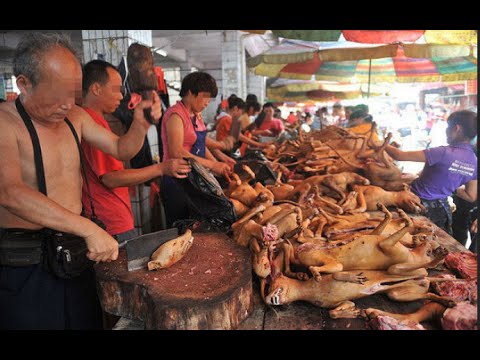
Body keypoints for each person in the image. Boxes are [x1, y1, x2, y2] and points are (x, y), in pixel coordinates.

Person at [0, 33, 155, 329]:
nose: (67, 103)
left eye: (72, 93)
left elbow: (122, 148)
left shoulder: (77, 117)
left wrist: (141, 123)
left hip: (75, 252)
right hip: (26, 262)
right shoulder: (5, 123)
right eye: (57, 93)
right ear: (24, 84)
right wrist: (86, 228)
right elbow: (10, 193)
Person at [80, 59, 191, 244]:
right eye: (116, 89)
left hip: (112, 218)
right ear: (96, 89)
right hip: (109, 222)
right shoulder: (89, 121)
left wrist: (142, 123)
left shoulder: (97, 122)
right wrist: (161, 169)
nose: (120, 96)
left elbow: (122, 149)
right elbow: (111, 178)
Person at [385, 110, 477, 235]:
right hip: (441, 211)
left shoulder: (442, 152)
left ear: (456, 128)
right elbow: (471, 195)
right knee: (431, 245)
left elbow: (399, 155)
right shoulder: (474, 160)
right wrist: (449, 187)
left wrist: (378, 143)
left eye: (448, 127)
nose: (446, 131)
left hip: (414, 204)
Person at [161, 71, 232, 226]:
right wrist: (213, 165)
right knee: (181, 227)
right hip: (178, 182)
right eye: (206, 96)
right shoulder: (176, 115)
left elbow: (198, 144)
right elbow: (177, 152)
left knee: (197, 228)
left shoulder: (193, 115)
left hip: (194, 180)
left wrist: (217, 164)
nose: (207, 102)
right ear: (192, 93)